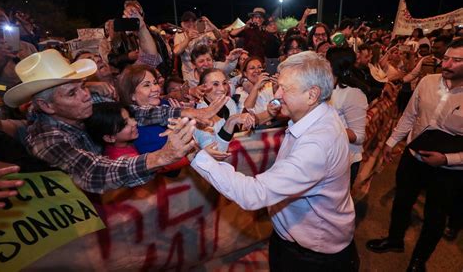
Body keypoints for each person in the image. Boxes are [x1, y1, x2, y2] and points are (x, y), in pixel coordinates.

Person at [189, 51, 359, 271]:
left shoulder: (316, 144)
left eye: (284, 89)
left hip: (313, 256)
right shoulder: (320, 114)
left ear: (311, 95)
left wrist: (196, 154)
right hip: (294, 239)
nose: (276, 95)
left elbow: (253, 195)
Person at [3, 49, 197, 194]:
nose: (85, 95)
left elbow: (133, 112)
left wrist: (190, 112)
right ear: (46, 106)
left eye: (83, 86)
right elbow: (94, 172)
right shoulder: (46, 139)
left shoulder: (87, 103)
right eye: (72, 93)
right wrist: (161, 157)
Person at [366, 38, 463, 271]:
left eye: (456, 60)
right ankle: (395, 239)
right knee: (402, 202)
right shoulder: (428, 81)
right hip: (413, 157)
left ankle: (419, 260)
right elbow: (410, 115)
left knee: (435, 217)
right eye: (446, 58)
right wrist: (391, 142)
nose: (447, 64)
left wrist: (448, 160)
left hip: (448, 169)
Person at [326, 47, 368, 185]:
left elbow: (359, 136)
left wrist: (325, 128)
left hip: (346, 161)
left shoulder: (353, 94)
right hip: (327, 159)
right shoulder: (325, 88)